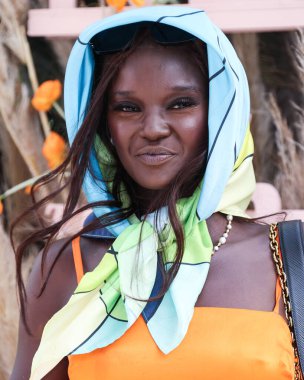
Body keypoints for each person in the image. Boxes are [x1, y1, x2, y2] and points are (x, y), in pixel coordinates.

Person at [10, 6, 299, 380]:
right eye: (128, 107)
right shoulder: (67, 265)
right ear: (104, 124)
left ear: (222, 114)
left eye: (181, 104)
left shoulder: (289, 257)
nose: (153, 128)